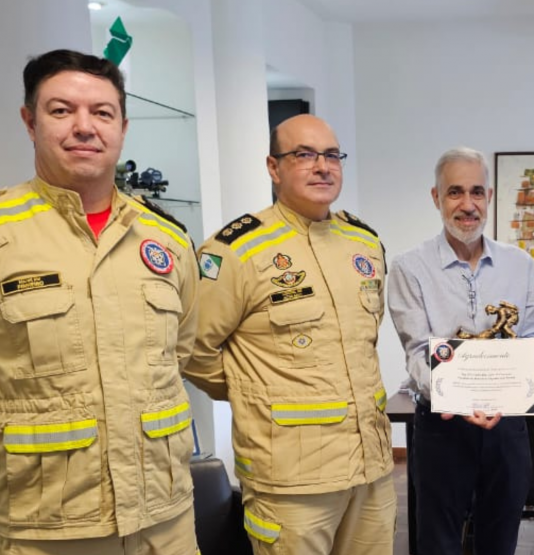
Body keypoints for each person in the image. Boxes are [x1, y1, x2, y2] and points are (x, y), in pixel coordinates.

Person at [0, 49, 199, 554]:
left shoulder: (167, 239)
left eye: (102, 113)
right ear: (29, 121)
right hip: (48, 527)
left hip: (165, 518)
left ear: (123, 127)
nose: (85, 127)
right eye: (61, 110)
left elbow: (182, 352)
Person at [183, 114, 395, 555]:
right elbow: (192, 349)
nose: (322, 166)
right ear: (273, 167)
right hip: (291, 478)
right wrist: (256, 392)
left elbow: (363, 341)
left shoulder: (364, 243)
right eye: (304, 155)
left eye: (332, 155)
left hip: (370, 468)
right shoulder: (236, 251)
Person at [387, 147, 534, 555]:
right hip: (443, 428)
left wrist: (502, 395)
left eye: (477, 192)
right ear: (436, 197)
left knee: (501, 540)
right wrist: (459, 397)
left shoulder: (520, 264)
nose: (467, 204)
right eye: (455, 192)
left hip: (506, 426)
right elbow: (417, 350)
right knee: (438, 542)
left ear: (489, 197)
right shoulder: (409, 267)